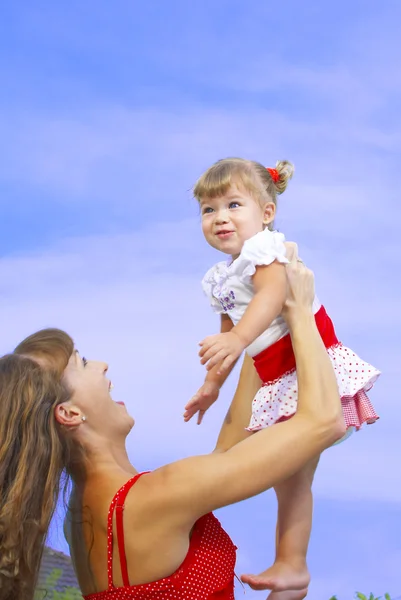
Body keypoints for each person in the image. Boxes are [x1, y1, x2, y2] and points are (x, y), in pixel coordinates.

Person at [0, 255, 345, 600]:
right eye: (84, 363)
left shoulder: (89, 514)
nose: (103, 366)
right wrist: (299, 311)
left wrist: (263, 328)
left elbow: (227, 458)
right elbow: (324, 421)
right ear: (70, 414)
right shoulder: (153, 498)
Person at [184, 157, 381, 595]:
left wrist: (238, 341)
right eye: (208, 210)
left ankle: (292, 565)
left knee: (290, 478)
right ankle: (292, 570)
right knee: (289, 481)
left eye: (234, 205)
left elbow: (273, 298)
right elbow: (230, 330)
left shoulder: (266, 249)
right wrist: (212, 385)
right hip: (279, 377)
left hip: (307, 373)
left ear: (266, 214)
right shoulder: (220, 276)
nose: (220, 218)